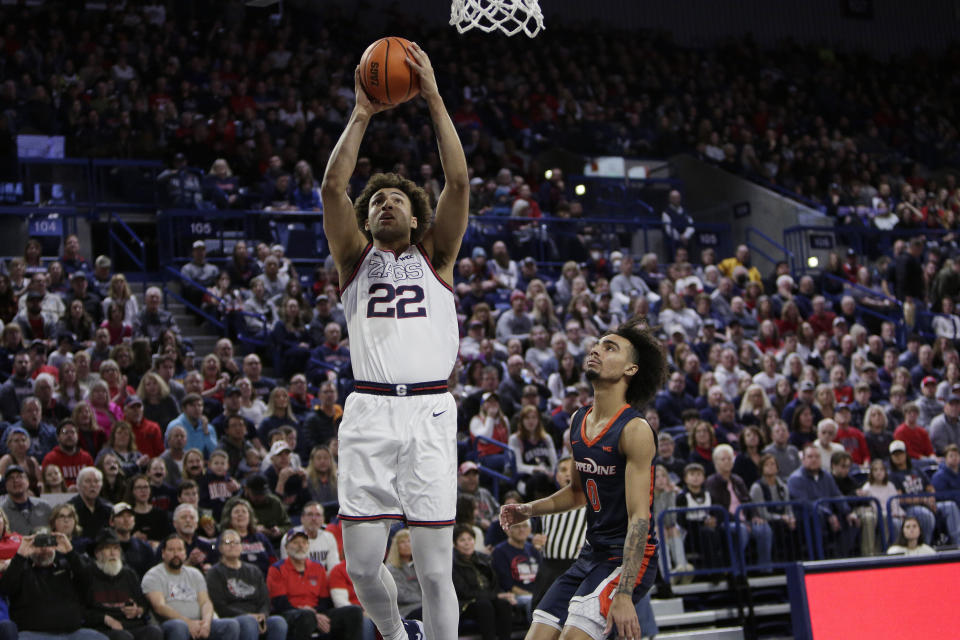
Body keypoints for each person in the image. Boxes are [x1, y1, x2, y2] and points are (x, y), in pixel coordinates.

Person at [320, 42, 468, 640]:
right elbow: (334, 189)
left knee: (436, 571)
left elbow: (458, 178)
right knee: (360, 565)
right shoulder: (354, 258)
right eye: (377, 199)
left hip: (430, 408)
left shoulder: (438, 256)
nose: (385, 203)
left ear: (416, 218)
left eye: (397, 200)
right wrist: (361, 112)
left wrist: (431, 96)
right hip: (370, 409)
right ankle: (396, 632)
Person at [500, 319, 666, 640]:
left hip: (627, 558)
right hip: (591, 554)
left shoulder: (634, 430)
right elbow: (578, 493)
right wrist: (528, 510)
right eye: (596, 344)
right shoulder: (578, 420)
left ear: (631, 369)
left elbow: (639, 519)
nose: (596, 350)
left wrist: (624, 592)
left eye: (609, 347)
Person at [0, 530, 109, 640]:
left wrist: (70, 552)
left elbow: (88, 581)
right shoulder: (21, 569)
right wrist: (20, 555)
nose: (44, 549)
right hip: (33, 634)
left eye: (49, 543)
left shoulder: (67, 566)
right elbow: (5, 589)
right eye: (39, 543)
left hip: (73, 633)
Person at [266, 530, 363, 640]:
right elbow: (280, 603)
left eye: (304, 542)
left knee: (354, 611)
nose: (300, 546)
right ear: (286, 548)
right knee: (306, 616)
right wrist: (311, 614)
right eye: (295, 543)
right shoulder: (276, 569)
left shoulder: (318, 567)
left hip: (317, 613)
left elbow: (324, 600)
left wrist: (317, 615)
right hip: (290, 614)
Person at [141, 535, 241, 640]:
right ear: (163, 553)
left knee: (230, 625)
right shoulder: (153, 575)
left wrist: (206, 624)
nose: (176, 554)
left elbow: (205, 602)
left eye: (180, 550)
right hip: (171, 625)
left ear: (185, 553)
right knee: (180, 626)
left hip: (199, 622)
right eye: (171, 550)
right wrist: (188, 623)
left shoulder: (194, 573)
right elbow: (159, 607)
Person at [206, 529, 288, 640]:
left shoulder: (254, 570)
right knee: (249, 622)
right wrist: (248, 616)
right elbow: (219, 605)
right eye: (228, 543)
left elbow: (265, 600)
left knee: (279, 622)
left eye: (236, 543)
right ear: (220, 548)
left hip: (257, 617)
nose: (232, 546)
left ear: (242, 547)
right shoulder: (214, 573)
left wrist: (262, 616)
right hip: (232, 618)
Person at [82, 529, 163, 640]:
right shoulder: (88, 574)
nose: (112, 553)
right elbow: (82, 610)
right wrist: (106, 619)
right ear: (97, 553)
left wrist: (138, 610)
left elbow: (143, 603)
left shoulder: (129, 574)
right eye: (107, 548)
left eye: (116, 548)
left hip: (131, 624)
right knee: (123, 637)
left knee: (154, 632)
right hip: (103, 628)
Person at [452, 525, 515, 640]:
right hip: (466, 604)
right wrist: (495, 595)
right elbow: (464, 592)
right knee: (484, 606)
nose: (467, 543)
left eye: (469, 539)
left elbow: (495, 583)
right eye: (462, 540)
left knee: (504, 604)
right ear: (455, 544)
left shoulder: (484, 558)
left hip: (488, 598)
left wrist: (500, 595)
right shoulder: (453, 564)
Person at [279, 501, 340, 571]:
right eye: (310, 514)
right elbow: (288, 570)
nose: (314, 518)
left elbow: (334, 569)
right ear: (302, 518)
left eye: (318, 515)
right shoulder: (289, 538)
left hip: (323, 579)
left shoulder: (329, 537)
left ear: (323, 520)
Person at [1, 464, 53, 534]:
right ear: (6, 485)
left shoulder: (45, 506)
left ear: (27, 481)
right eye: (11, 478)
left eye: (20, 476)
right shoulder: (1, 511)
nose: (16, 480)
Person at [385, 529, 423, 620]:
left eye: (409, 541)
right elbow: (400, 595)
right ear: (396, 546)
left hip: (425, 605)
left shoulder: (420, 566)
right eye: (402, 542)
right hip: (406, 610)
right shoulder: (391, 569)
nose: (407, 545)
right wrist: (423, 600)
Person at [69, 466, 114, 540]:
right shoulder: (70, 508)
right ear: (79, 485)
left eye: (96, 481)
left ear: (101, 485)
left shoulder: (108, 508)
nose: (92, 485)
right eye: (88, 481)